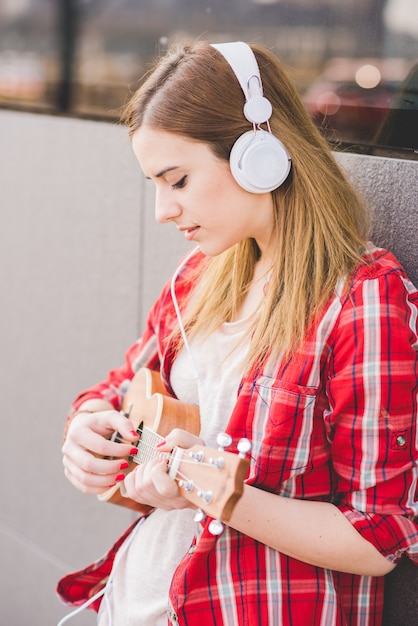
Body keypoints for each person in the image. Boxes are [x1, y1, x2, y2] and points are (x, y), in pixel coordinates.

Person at [58, 40, 418, 626]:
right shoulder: (199, 275)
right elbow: (121, 387)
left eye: (176, 180)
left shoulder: (362, 300)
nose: (162, 211)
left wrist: (224, 495)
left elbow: (379, 538)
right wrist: (88, 433)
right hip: (135, 604)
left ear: (260, 153)